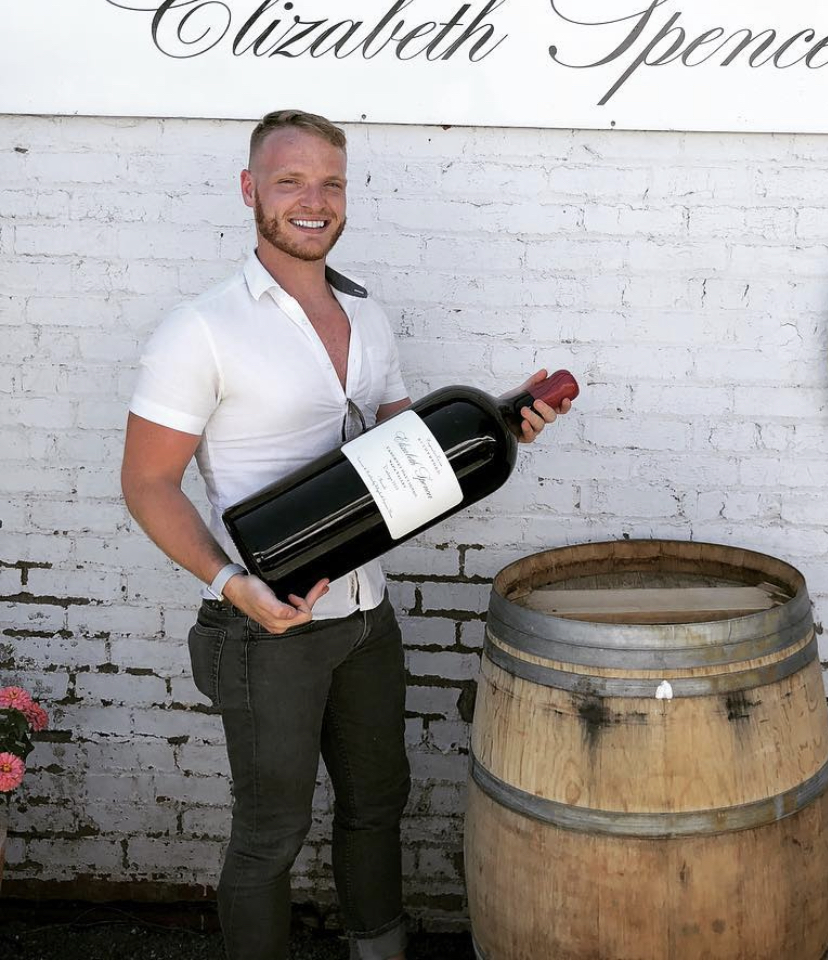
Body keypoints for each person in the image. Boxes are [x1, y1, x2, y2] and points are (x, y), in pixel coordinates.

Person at [120, 110, 572, 960]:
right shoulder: (202, 329)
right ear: (250, 190)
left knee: (376, 806)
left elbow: (406, 439)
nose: (313, 200)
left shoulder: (367, 316)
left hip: (368, 617)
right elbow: (146, 483)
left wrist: (508, 417)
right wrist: (231, 585)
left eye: (330, 183)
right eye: (290, 181)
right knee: (272, 834)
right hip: (267, 624)